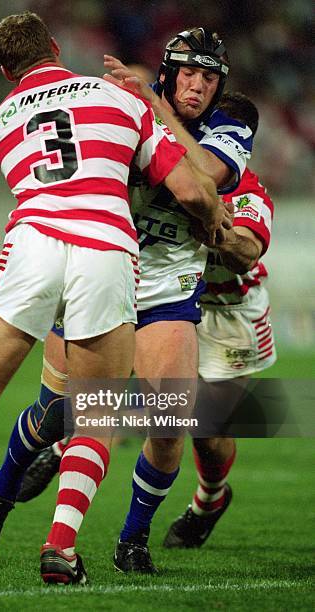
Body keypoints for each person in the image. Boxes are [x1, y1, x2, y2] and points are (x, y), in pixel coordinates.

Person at [0, 13, 229, 584]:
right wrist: (214, 217)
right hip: (104, 249)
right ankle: (60, 549)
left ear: (5, 70)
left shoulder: (0, 120)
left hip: (32, 246)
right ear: (56, 46)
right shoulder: (117, 97)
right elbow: (191, 190)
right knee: (95, 415)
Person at [163, 92, 276, 549]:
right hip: (172, 300)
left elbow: (246, 252)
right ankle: (55, 446)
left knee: (207, 431)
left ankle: (210, 498)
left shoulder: (249, 192)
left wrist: (217, 232)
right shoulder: (176, 176)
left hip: (230, 314)